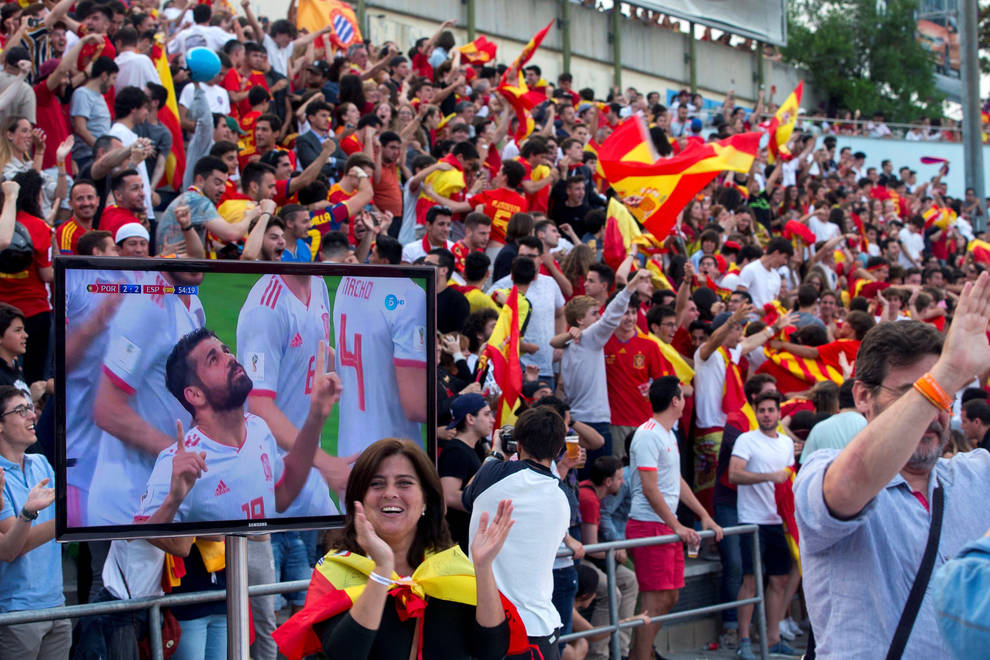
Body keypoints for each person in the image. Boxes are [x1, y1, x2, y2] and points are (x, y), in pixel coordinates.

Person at [795, 274, 990, 659]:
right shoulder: (824, 470)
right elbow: (850, 486)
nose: (933, 411)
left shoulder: (973, 476)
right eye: (914, 394)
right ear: (863, 396)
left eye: (943, 397)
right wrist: (947, 374)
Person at [272, 438, 513, 660]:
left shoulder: (451, 567)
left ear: (426, 499)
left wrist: (483, 569)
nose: (390, 493)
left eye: (404, 483)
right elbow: (342, 655)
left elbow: (491, 650)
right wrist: (381, 570)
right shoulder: (336, 569)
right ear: (359, 500)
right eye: (376, 484)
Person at [135, 327, 341, 524]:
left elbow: (283, 493)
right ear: (195, 394)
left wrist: (316, 416)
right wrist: (173, 499)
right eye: (214, 359)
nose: (230, 358)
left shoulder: (258, 429)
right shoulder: (178, 465)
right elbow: (137, 541)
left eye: (226, 351)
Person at [626, 376, 722, 660]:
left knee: (670, 598)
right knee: (654, 603)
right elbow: (649, 488)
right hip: (648, 525)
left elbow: (675, 481)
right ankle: (640, 657)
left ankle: (640, 654)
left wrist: (703, 515)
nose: (685, 400)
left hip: (664, 525)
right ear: (675, 401)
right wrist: (677, 524)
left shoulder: (668, 434)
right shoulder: (647, 434)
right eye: (682, 396)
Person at [464, 406, 572, 660]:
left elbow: (468, 496)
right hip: (539, 628)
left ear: (519, 443)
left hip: (484, 620)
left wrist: (496, 452)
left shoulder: (492, 475)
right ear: (558, 449)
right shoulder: (566, 497)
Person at [728, 390, 796, 659]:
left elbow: (788, 481)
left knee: (779, 579)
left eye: (771, 410)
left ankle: (773, 638)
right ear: (755, 413)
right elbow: (734, 474)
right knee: (750, 580)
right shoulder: (746, 439)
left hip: (778, 521)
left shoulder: (786, 443)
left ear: (779, 413)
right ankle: (743, 640)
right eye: (762, 410)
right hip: (752, 520)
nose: (767, 415)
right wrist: (770, 477)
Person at [0, 386, 67, 658]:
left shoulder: (41, 462)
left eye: (30, 408)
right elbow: (12, 548)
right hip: (18, 612)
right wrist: (66, 521)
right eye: (20, 410)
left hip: (58, 604)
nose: (32, 415)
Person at [332, 274, 429, 459]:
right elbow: (416, 406)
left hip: (350, 456)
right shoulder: (409, 295)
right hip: (393, 457)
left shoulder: (346, 281)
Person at [577, 455, 639, 660]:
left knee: (629, 581)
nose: (623, 482)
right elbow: (590, 547)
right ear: (608, 482)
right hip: (577, 560)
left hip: (592, 558)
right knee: (612, 593)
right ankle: (599, 655)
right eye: (620, 478)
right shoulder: (589, 498)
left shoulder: (595, 494)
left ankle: (620, 651)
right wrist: (615, 550)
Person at [438, 393, 492, 552]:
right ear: (470, 419)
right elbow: (448, 495)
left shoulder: (470, 450)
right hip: (458, 541)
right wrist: (487, 507)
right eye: (487, 414)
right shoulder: (456, 451)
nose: (492, 420)